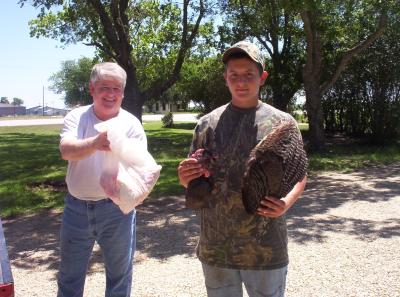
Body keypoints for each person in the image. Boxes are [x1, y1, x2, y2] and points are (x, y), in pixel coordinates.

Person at [177, 41, 307, 297]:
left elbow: (300, 173)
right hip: (216, 248)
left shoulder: (283, 124)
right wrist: (184, 177)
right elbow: (193, 182)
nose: (241, 82)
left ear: (262, 78)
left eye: (249, 74)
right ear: (225, 78)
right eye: (234, 75)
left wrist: (286, 203)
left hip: (266, 248)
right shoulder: (206, 124)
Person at [58, 62, 146, 297]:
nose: (110, 94)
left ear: (123, 92)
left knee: (120, 276)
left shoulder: (131, 124)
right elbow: (66, 150)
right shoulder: (77, 116)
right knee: (69, 276)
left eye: (116, 88)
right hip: (76, 208)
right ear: (92, 89)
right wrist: (96, 142)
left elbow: (140, 169)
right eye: (104, 87)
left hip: (116, 211)